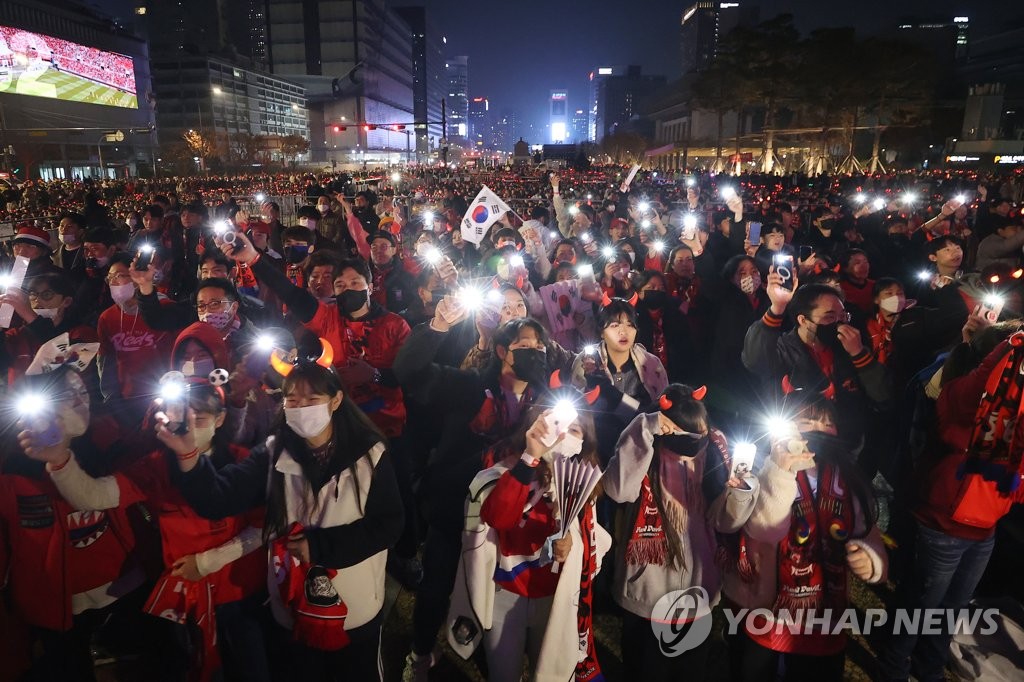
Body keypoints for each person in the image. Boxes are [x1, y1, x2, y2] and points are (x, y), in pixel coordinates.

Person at [171, 347, 403, 680]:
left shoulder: (370, 455)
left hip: (355, 606)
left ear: (336, 401)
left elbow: (389, 525)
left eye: (312, 400)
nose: (301, 409)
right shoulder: (273, 452)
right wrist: (189, 460)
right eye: (292, 401)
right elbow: (217, 499)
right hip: (290, 606)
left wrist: (320, 547)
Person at [38, 380, 269, 681]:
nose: (191, 429)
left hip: (239, 594)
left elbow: (264, 526)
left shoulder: (244, 461)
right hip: (184, 598)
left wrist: (209, 561)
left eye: (200, 420)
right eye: (184, 419)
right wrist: (60, 461)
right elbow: (95, 496)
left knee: (251, 668)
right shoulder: (155, 467)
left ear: (220, 419)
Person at [6, 358, 153, 681]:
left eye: (82, 390)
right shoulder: (11, 473)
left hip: (123, 582)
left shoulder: (110, 439)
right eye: (66, 393)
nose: (79, 400)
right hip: (57, 600)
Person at [448, 399, 611, 682]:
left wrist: (571, 544)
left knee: (549, 672)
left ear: (586, 440)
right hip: (506, 590)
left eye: (575, 430)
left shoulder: (582, 481)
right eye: (557, 426)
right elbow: (496, 517)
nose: (564, 436)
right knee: (503, 673)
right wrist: (529, 458)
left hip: (553, 596)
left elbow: (593, 537)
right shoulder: (506, 469)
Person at [725, 399, 887, 682]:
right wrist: (780, 471)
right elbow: (764, 529)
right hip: (770, 612)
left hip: (825, 614)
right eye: (808, 421)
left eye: (828, 423)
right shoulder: (766, 469)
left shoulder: (847, 478)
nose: (819, 429)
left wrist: (869, 558)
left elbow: (866, 531)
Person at [604, 383, 758, 681]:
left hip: (698, 591)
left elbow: (725, 523)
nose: (690, 441)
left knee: (690, 671)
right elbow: (619, 490)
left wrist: (741, 492)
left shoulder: (715, 453)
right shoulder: (646, 453)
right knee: (646, 670)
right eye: (678, 432)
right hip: (646, 592)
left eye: (697, 432)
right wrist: (645, 428)